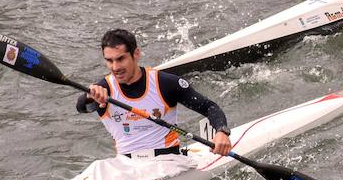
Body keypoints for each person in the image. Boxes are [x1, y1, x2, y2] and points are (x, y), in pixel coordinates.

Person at [76, 28, 232, 158]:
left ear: (136, 54)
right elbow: (82, 107)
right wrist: (88, 96)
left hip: (168, 160)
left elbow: (208, 106)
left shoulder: (165, 83)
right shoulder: (103, 89)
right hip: (125, 165)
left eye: (120, 59)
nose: (115, 67)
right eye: (109, 60)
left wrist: (222, 132)